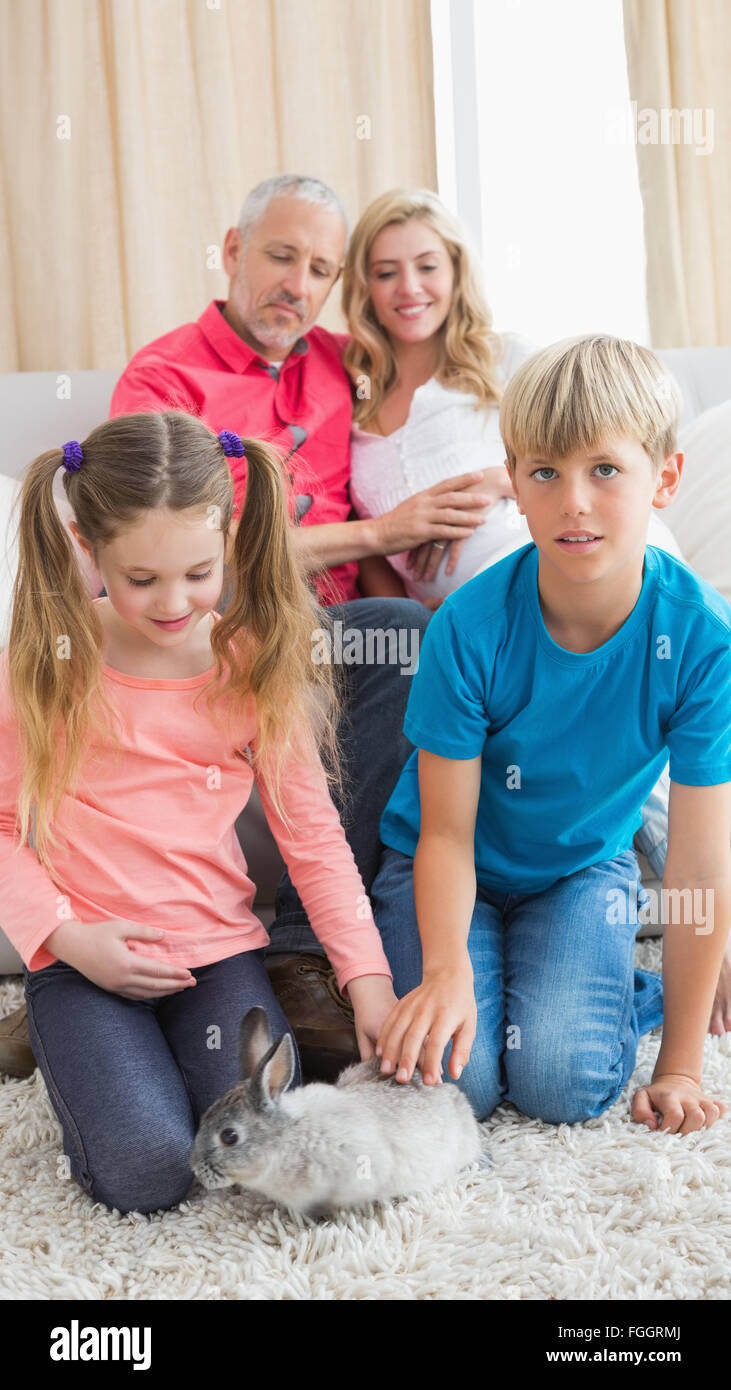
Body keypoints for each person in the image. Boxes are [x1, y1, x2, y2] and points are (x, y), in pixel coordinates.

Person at [0, 174, 493, 1080]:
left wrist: (519, 469)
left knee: (410, 634)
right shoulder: (164, 377)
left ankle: (309, 957)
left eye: (319, 269)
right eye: (278, 257)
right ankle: (83, 1003)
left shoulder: (342, 365)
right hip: (229, 628)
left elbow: (438, 340)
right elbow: (165, 542)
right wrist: (379, 533)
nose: (295, 286)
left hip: (325, 634)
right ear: (231, 252)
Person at [0, 410, 400, 1214]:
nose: (173, 601)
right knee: (148, 1172)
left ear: (229, 540)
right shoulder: (50, 662)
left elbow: (313, 840)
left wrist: (370, 983)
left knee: (259, 1133)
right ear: (88, 549)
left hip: (213, 957)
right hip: (83, 963)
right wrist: (68, 940)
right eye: (141, 578)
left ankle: (126, 1056)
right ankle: (62, 1038)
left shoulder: (251, 666)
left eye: (198, 572)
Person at [369, 335, 731, 1135]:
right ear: (515, 490)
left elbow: (702, 859)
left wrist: (678, 1066)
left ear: (663, 479)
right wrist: (443, 970)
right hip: (446, 861)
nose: (572, 501)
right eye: (544, 472)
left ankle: (630, 995)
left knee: (560, 1083)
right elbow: (445, 831)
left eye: (604, 470)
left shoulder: (701, 640)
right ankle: (505, 973)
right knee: (454, 1086)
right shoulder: (468, 624)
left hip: (580, 867)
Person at [342, 188, 685, 606]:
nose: (409, 287)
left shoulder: (505, 359)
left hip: (563, 556)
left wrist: (497, 481)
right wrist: (416, 623)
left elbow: (600, 455)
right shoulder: (351, 392)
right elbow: (368, 544)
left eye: (427, 266)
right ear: (364, 285)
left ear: (456, 270)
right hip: (463, 616)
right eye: (385, 273)